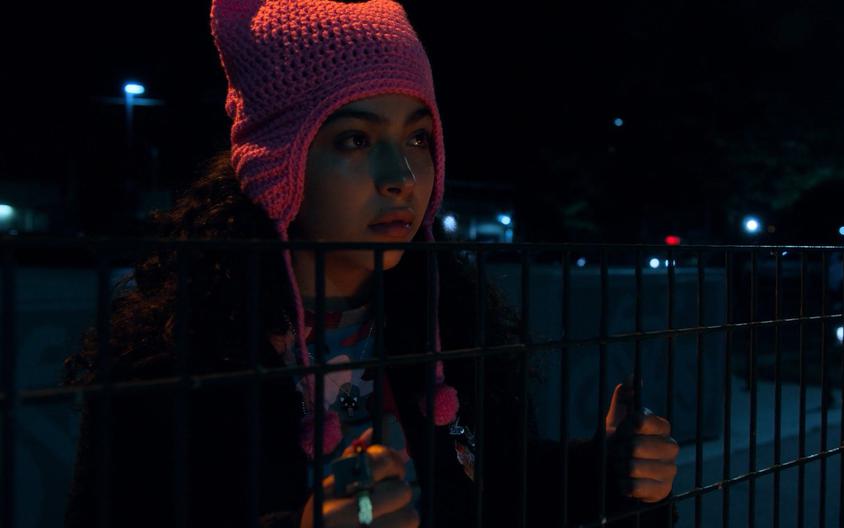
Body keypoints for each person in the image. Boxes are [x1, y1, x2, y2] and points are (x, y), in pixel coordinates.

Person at [62, 1, 679, 526]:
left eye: (418, 138)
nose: (402, 178)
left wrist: (613, 472)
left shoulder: (449, 324)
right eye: (355, 140)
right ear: (278, 162)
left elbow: (495, 487)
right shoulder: (170, 364)